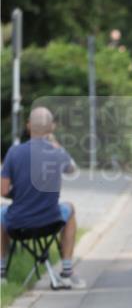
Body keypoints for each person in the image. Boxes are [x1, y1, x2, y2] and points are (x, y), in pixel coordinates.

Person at [1, 107, 79, 283]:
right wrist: (57, 145)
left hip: (18, 224)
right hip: (51, 222)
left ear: (28, 126)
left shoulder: (13, 153)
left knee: (0, 214)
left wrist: (20, 193)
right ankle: (67, 270)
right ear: (52, 127)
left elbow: (3, 191)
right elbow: (72, 169)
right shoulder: (57, 152)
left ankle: (1, 271)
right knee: (70, 208)